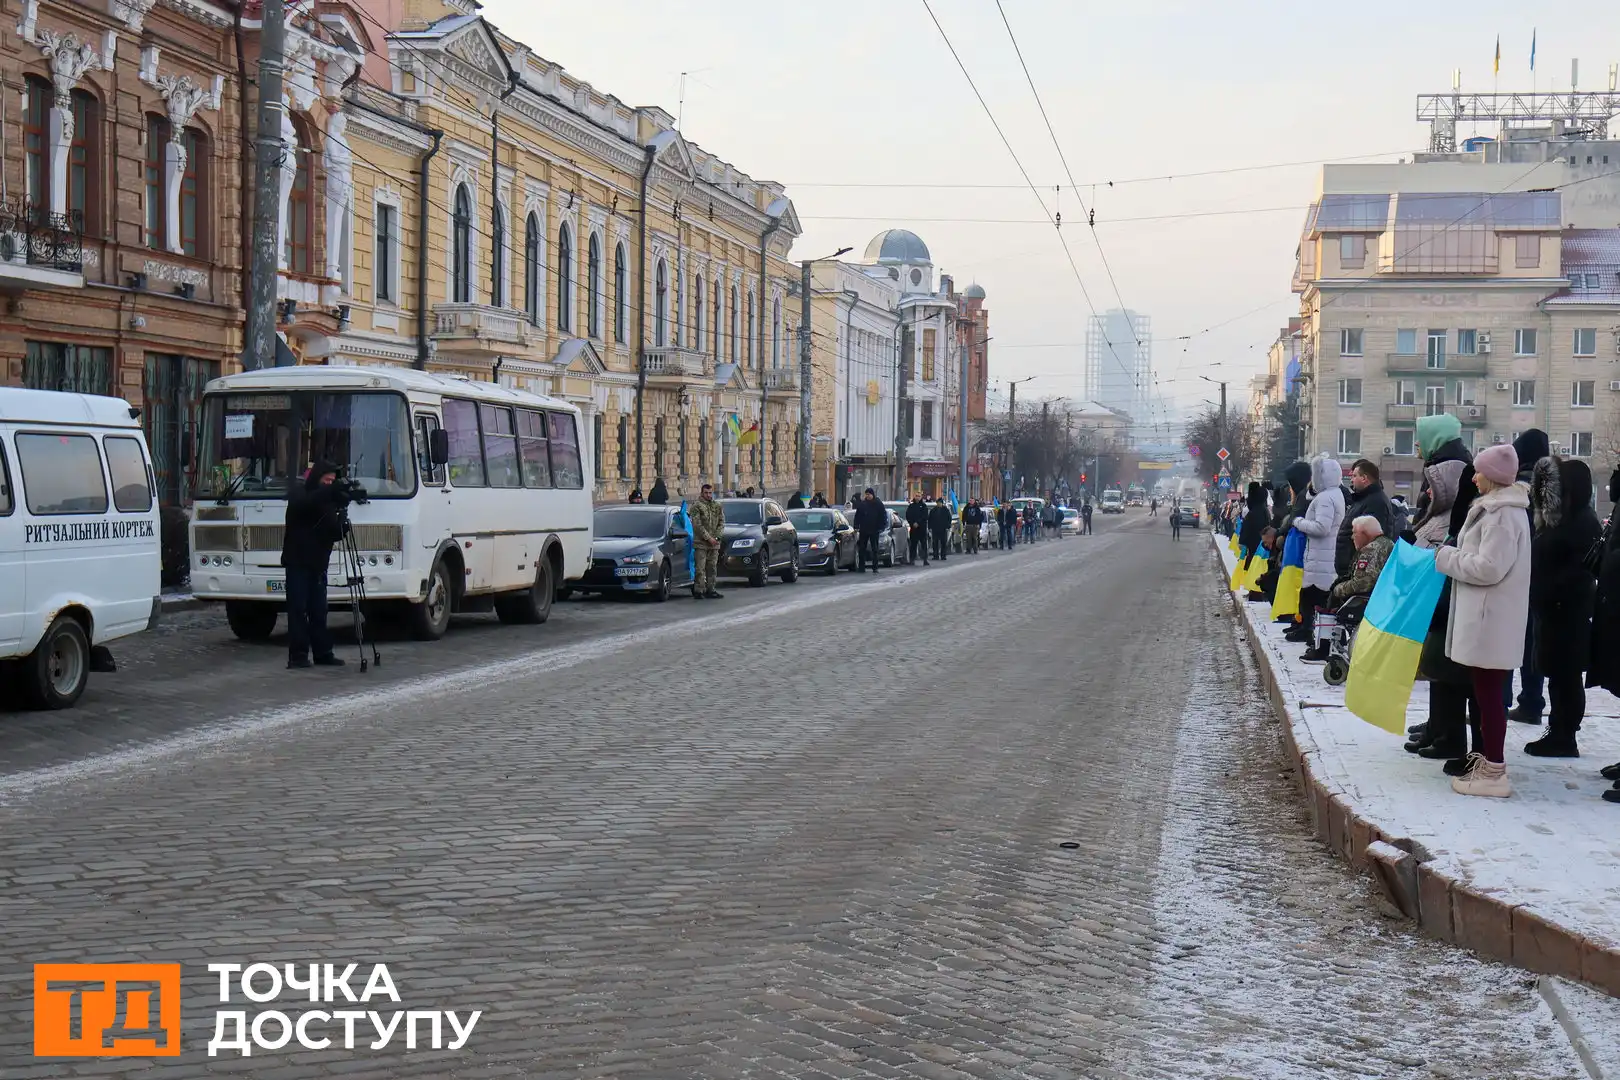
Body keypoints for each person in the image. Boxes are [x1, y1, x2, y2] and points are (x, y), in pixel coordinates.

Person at [1434, 443, 1532, 798]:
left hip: (1492, 618)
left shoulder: (1504, 515)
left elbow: (1490, 567)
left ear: (1492, 476)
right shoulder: (1497, 510)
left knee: (1490, 696)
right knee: (1485, 693)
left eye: (1478, 472)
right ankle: (1489, 763)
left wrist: (1446, 558)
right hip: (1488, 616)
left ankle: (1494, 771)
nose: (1473, 478)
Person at [1525, 456, 1599, 758]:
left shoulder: (1583, 522)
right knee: (1557, 673)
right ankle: (1559, 729)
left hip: (1567, 609)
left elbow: (1581, 570)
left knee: (1565, 675)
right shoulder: (1566, 518)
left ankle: (1564, 734)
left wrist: (1551, 592)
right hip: (1555, 607)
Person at [281, 461, 348, 669]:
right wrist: (331, 494)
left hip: (318, 564)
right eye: (326, 480)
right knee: (298, 609)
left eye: (332, 482)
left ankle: (323, 652)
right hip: (298, 562)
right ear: (316, 478)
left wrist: (343, 522)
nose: (329, 484)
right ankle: (298, 655)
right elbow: (305, 505)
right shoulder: (300, 494)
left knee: (319, 610)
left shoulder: (326, 503)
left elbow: (331, 531)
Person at [1508, 429, 1551, 726]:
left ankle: (1517, 702)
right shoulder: (1554, 486)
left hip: (1522, 572)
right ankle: (1532, 701)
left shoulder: (1520, 486)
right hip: (1545, 573)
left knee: (1515, 639)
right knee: (1533, 640)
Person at [1289, 455, 1346, 661]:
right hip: (1324, 559)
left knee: (1318, 607)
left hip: (1321, 562)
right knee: (1322, 607)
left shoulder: (1325, 498)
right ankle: (1320, 644)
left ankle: (1320, 647)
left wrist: (1299, 522)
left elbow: (1321, 528)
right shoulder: (1335, 494)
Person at [1335, 459, 1394, 579]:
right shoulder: (1362, 499)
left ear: (1364, 478)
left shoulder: (1375, 502)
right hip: (1350, 567)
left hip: (1359, 570)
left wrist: (1359, 567)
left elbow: (1370, 540)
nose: (1351, 480)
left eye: (1355, 476)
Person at [1329, 516, 1394, 605]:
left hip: (1372, 604)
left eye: (1355, 533)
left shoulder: (1370, 550)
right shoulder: (1388, 543)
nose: (1352, 537)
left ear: (1365, 534)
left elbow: (1362, 583)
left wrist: (1337, 590)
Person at [688, 483, 725, 599]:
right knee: (700, 568)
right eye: (706, 493)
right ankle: (699, 590)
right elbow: (697, 525)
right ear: (701, 493)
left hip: (714, 543)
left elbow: (721, 522)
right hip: (701, 543)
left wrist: (717, 538)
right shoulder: (696, 506)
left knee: (712, 567)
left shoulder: (717, 506)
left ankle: (711, 589)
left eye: (710, 493)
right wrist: (708, 538)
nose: (708, 495)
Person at [1237, 482, 1269, 600]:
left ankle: (1256, 593)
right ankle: (1254, 591)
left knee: (1254, 568)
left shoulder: (1254, 513)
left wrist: (1243, 542)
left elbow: (1247, 527)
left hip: (1256, 545)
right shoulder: (1263, 510)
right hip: (1260, 544)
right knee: (1255, 568)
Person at [853, 488, 887, 573]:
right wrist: (856, 526)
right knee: (862, 549)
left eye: (869, 494)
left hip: (874, 530)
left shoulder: (878, 504)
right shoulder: (862, 504)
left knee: (874, 549)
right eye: (866, 494)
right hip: (864, 529)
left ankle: (875, 567)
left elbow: (883, 516)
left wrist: (881, 527)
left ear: (872, 495)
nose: (867, 496)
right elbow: (858, 516)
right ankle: (861, 567)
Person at [906, 494, 930, 565]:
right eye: (916, 496)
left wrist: (918, 523)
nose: (917, 497)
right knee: (913, 544)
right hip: (913, 529)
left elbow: (925, 516)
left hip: (922, 529)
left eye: (919, 496)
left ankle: (925, 559)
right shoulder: (911, 506)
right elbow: (908, 516)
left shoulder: (924, 506)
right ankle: (912, 559)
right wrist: (912, 523)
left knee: (924, 545)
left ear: (921, 497)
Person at [928, 497, 953, 561]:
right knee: (935, 543)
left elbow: (949, 519)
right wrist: (930, 527)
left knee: (943, 543)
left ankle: (943, 556)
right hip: (935, 529)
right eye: (938, 503)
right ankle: (935, 555)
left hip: (943, 529)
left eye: (940, 503)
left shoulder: (945, 510)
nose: (939, 504)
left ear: (942, 503)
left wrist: (948, 526)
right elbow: (930, 519)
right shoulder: (933, 510)